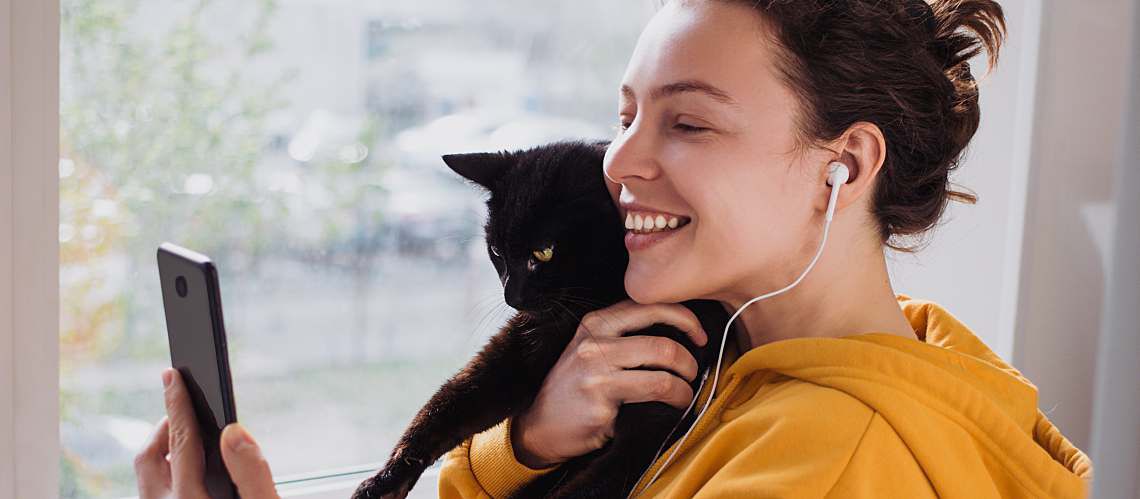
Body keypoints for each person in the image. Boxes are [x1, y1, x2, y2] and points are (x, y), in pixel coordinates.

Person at [137, 0, 1094, 497]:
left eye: (689, 124)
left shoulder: (822, 457)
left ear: (842, 164)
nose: (620, 161)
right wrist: (524, 444)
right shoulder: (852, 357)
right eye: (625, 113)